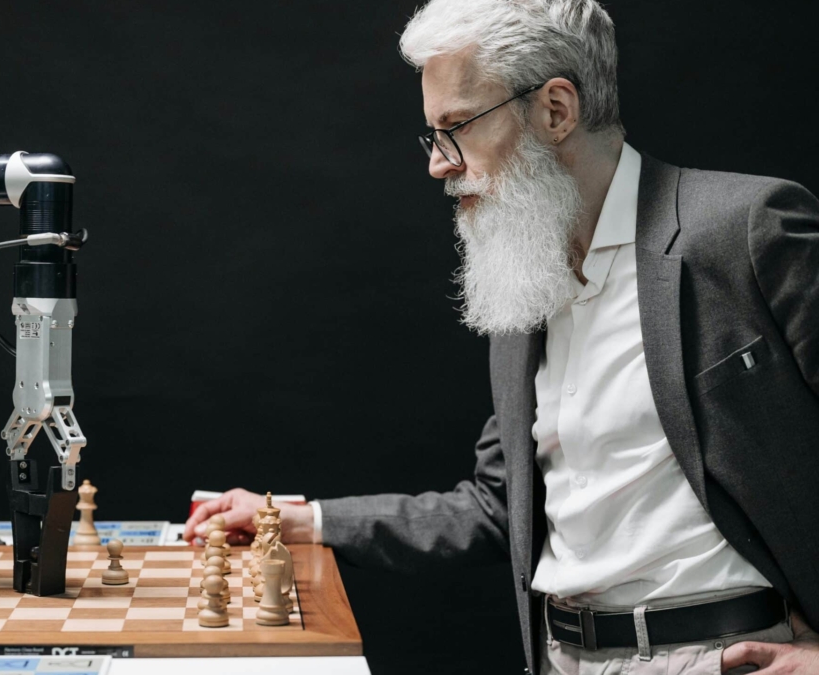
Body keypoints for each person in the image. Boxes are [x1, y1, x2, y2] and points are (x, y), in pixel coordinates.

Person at [185, 2, 819, 673]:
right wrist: (295, 517)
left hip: (727, 657)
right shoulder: (525, 277)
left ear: (554, 110)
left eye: (456, 127)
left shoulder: (747, 230)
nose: (438, 165)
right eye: (433, 136)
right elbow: (498, 504)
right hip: (559, 658)